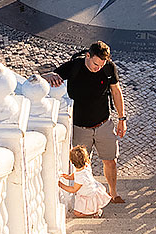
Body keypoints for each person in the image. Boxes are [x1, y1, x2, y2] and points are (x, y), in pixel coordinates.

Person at [45, 42, 127, 203]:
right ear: (88, 56)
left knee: (110, 161)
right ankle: (83, 200)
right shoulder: (74, 67)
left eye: (101, 64)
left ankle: (113, 193)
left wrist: (122, 119)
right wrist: (47, 75)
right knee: (81, 166)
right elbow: (48, 77)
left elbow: (116, 92)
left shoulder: (108, 68)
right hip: (80, 127)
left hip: (104, 123)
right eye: (96, 64)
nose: (98, 68)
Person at [58, 145, 112, 218]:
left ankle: (95, 212)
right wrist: (69, 177)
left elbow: (74, 189)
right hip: (92, 189)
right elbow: (76, 173)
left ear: (71, 161)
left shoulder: (81, 177)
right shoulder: (86, 165)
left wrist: (61, 185)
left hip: (88, 195)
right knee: (86, 208)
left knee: (77, 213)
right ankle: (95, 210)